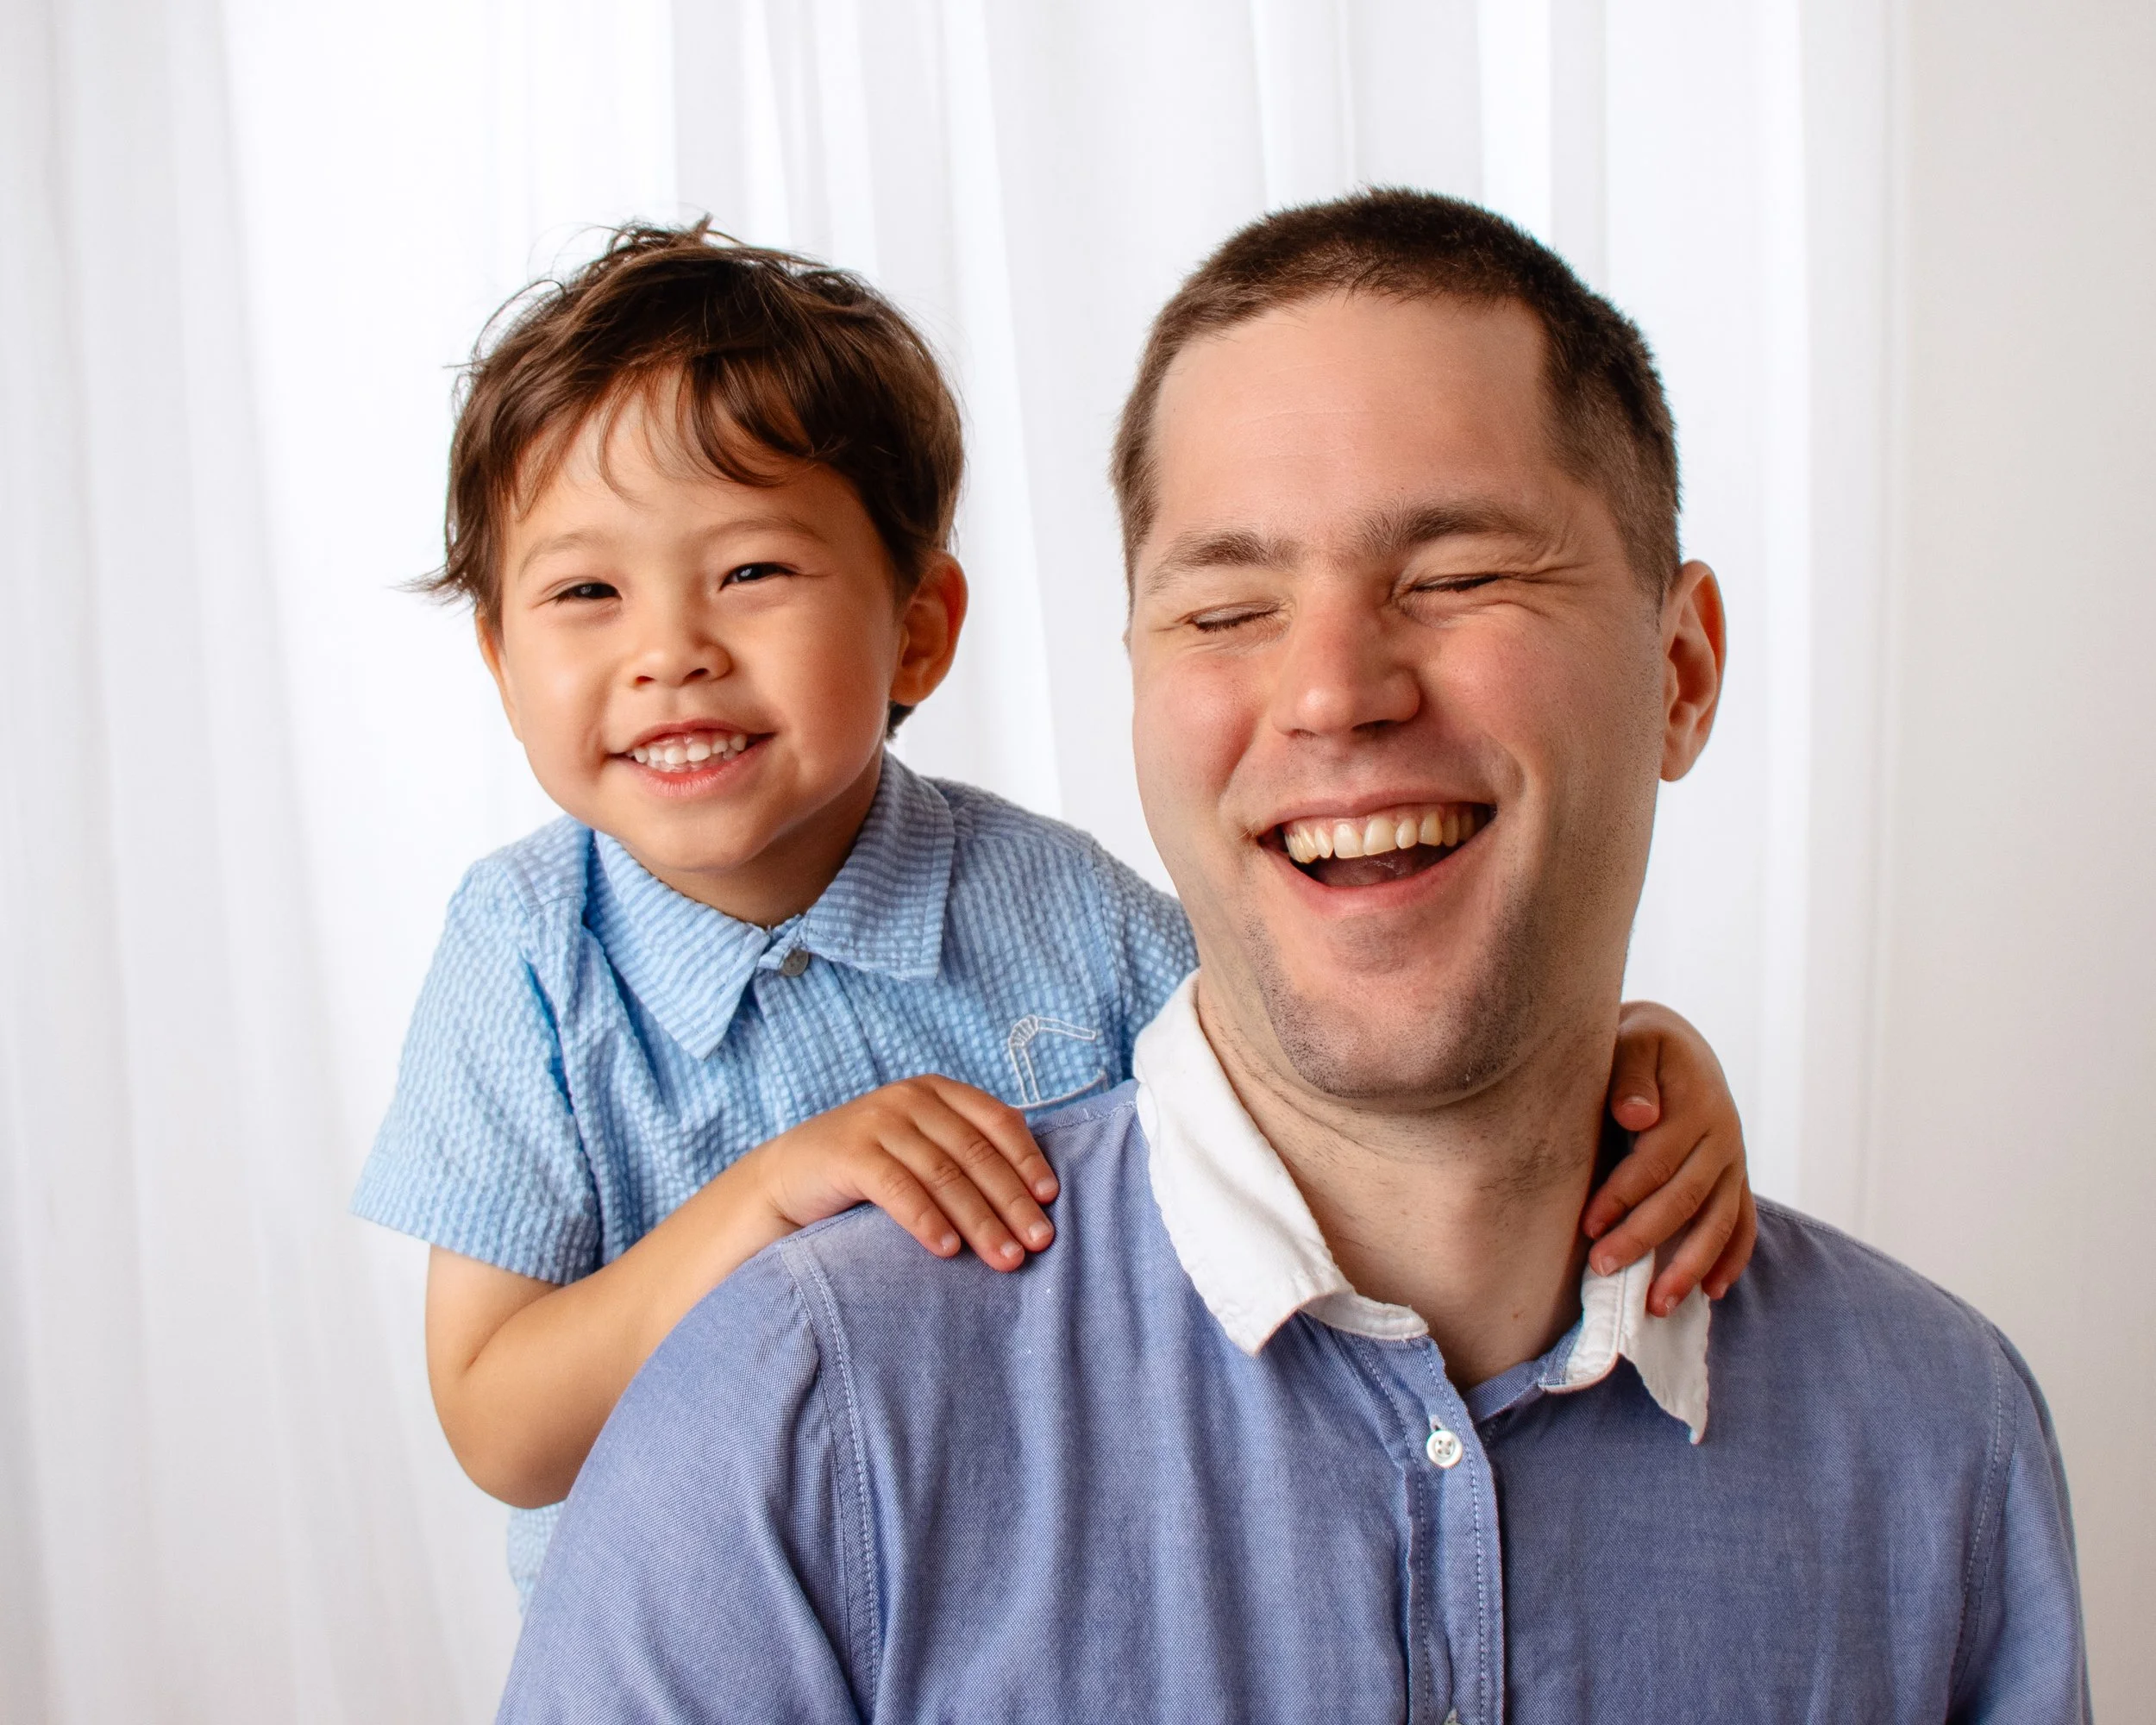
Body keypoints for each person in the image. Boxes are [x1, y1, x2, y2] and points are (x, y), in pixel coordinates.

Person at [497, 191, 2090, 1723]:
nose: (1333, 691)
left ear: (1679, 674)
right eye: (1226, 607)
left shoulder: (1948, 1444)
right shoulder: (782, 1421)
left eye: (1458, 576)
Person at [348, 222, 1758, 1604]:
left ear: (920, 628)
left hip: (1059, 1611)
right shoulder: (526, 953)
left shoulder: (1062, 918)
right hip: (697, 1644)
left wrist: (1624, 1074)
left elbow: (1338, 1073)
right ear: (498, 654)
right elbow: (498, 1426)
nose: (669, 654)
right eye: (585, 591)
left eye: (751, 573)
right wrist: (763, 1201)